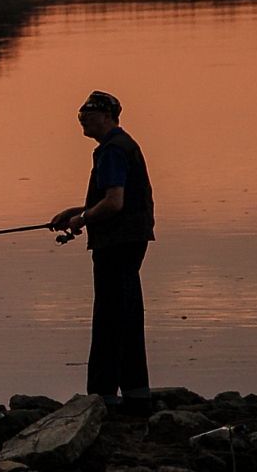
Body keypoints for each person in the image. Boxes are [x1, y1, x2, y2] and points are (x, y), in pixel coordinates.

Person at [51, 90, 155, 416]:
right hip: (128, 240)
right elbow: (113, 198)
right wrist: (76, 210)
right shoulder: (118, 147)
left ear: (108, 116)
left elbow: (114, 203)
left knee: (111, 318)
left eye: (90, 114)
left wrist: (81, 219)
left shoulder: (112, 150)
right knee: (124, 313)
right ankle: (133, 394)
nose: (83, 119)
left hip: (118, 244)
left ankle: (105, 397)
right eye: (81, 114)